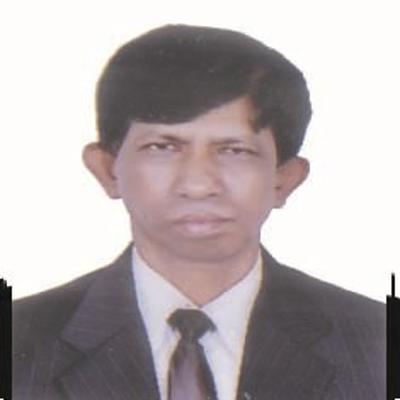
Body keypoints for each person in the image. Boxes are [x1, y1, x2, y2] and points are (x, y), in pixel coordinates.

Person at [13, 25, 385, 400]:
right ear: (108, 170)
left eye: (235, 150)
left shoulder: (378, 343)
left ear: (284, 179)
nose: (198, 185)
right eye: (162, 147)